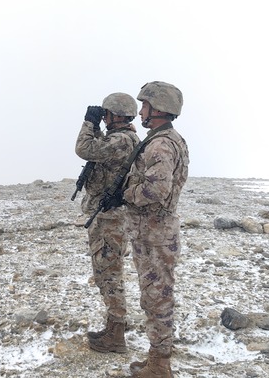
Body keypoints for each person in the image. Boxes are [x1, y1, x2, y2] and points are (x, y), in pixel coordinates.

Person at [122, 81, 189, 378]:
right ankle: (157, 360)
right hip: (154, 232)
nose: (141, 112)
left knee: (157, 298)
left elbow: (157, 190)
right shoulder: (167, 139)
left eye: (145, 106)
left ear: (159, 108)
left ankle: (160, 366)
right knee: (155, 296)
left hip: (154, 234)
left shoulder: (161, 144)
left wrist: (126, 193)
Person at [75, 92, 140, 354]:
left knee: (109, 273)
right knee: (105, 272)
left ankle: (116, 334)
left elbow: (85, 149)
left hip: (110, 219)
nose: (104, 118)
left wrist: (89, 123)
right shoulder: (122, 139)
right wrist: (97, 127)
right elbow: (100, 151)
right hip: (107, 216)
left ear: (115, 115)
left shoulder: (122, 140)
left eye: (106, 114)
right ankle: (114, 327)